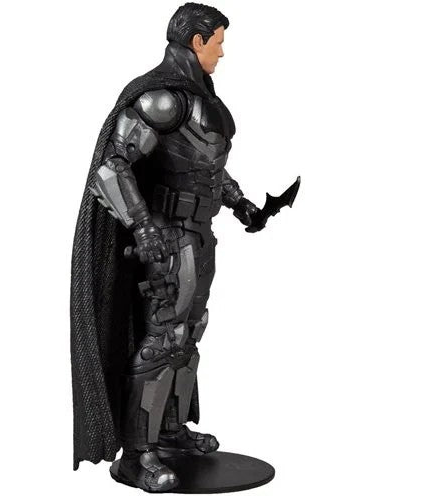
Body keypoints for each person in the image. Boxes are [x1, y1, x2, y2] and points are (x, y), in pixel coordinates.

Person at [71, 3, 297, 492]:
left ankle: (170, 432)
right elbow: (112, 169)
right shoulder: (161, 100)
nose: (222, 51)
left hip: (200, 233)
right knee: (163, 339)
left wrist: (240, 204)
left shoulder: (197, 97)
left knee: (189, 334)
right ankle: (139, 455)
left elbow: (205, 168)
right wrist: (143, 227)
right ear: (197, 41)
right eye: (218, 41)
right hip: (168, 236)